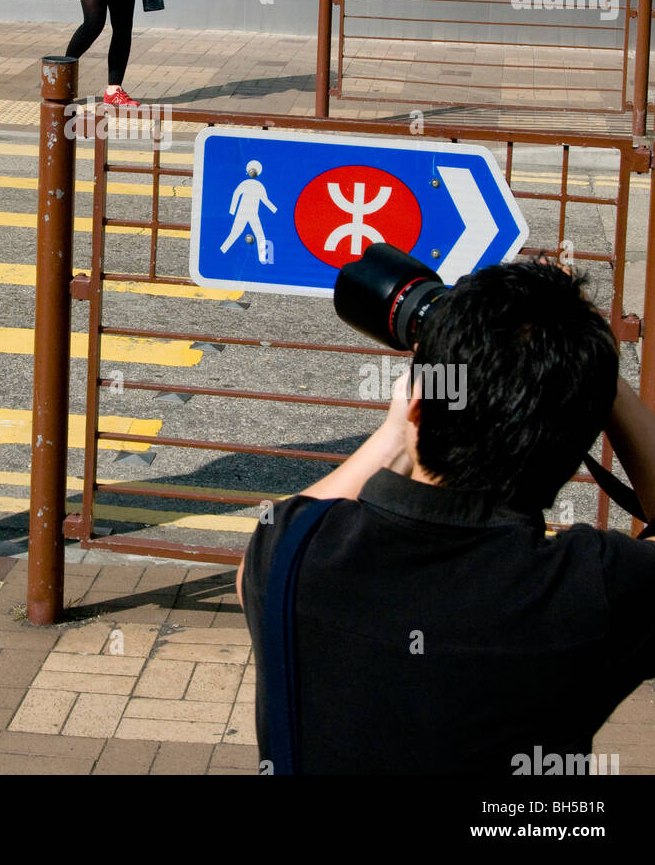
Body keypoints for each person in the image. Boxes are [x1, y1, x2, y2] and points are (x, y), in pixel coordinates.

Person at [238, 260, 655, 774]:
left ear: (414, 409)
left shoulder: (290, 551)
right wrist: (594, 371)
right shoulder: (594, 588)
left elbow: (263, 551)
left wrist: (400, 428)